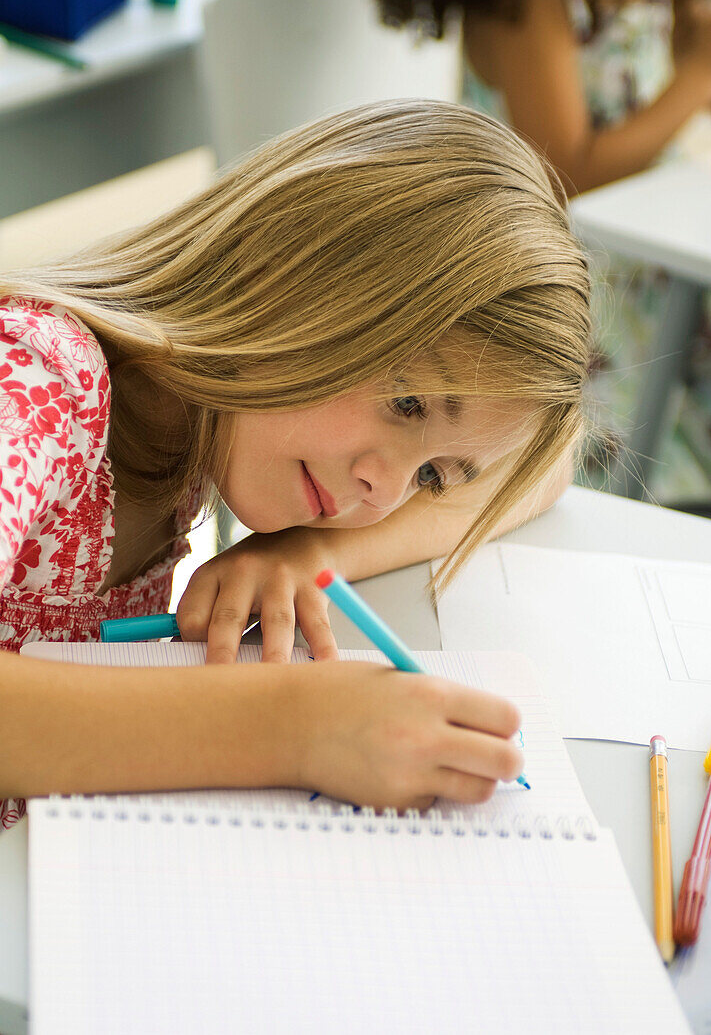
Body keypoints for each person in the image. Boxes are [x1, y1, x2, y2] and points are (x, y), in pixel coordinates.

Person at [0, 100, 591, 829]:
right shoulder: (37, 385)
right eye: (406, 403)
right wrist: (293, 729)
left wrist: (308, 553)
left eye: (433, 475)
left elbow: (545, 465)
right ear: (290, 263)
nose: (385, 492)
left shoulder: (200, 421)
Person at [350, 0, 711, 505]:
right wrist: (700, 78)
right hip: (572, 270)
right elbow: (566, 172)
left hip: (651, 255)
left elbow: (684, 82)